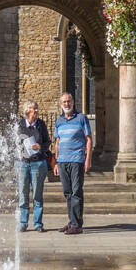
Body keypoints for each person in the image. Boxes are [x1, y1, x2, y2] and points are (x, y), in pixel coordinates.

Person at [52, 92, 92, 235]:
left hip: (77, 160)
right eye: (64, 102)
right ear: (61, 104)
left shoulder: (81, 118)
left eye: (69, 101)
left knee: (76, 191)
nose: (67, 104)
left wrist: (88, 159)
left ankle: (77, 224)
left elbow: (88, 140)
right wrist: (55, 162)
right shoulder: (59, 121)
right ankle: (71, 222)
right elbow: (57, 143)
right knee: (67, 192)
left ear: (73, 102)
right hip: (62, 161)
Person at [15, 101, 51, 232]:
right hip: (22, 162)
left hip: (38, 162)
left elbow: (47, 142)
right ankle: (23, 223)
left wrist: (40, 146)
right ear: (27, 111)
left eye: (36, 108)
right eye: (33, 109)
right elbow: (12, 142)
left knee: (37, 194)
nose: (36, 111)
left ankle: (38, 223)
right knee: (23, 194)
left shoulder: (41, 125)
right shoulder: (19, 125)